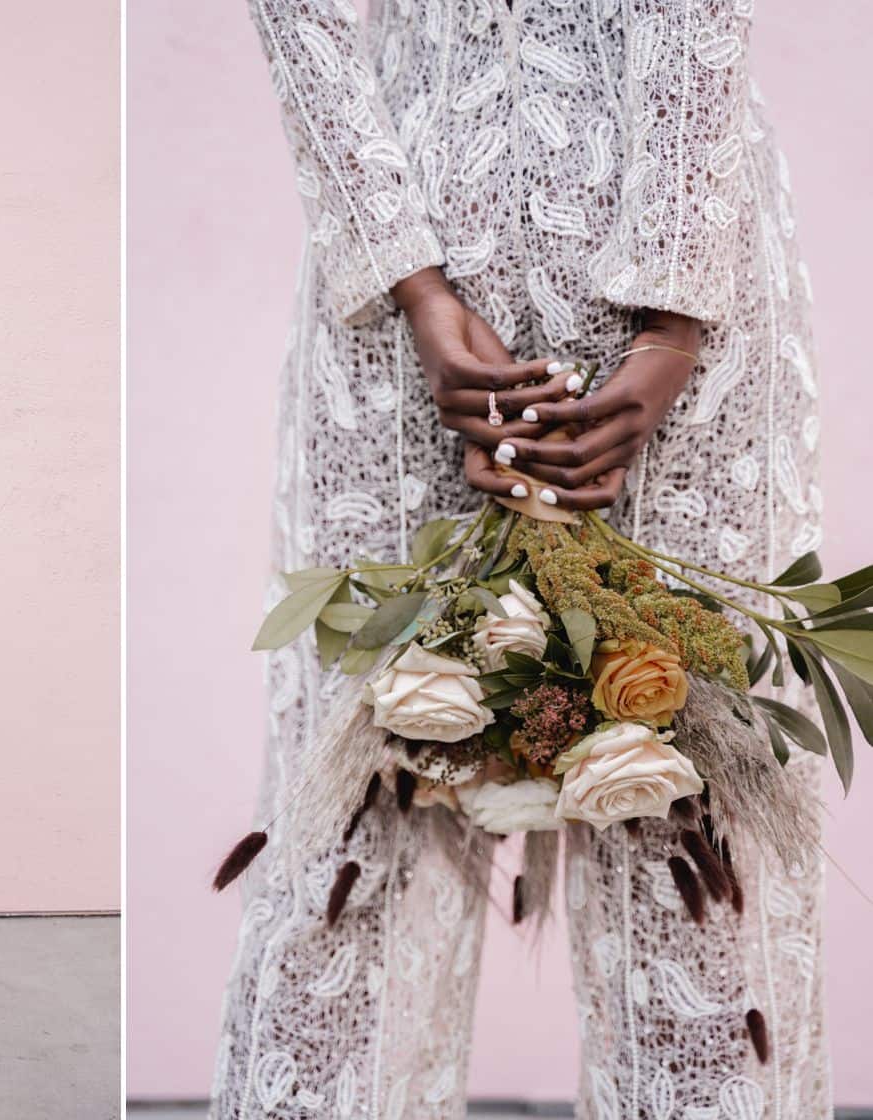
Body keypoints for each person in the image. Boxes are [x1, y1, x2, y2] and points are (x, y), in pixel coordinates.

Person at [210, 2, 829, 1115]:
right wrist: (411, 280)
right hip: (401, 291)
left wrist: (674, 320)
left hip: (684, 285)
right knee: (365, 788)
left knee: (693, 812)